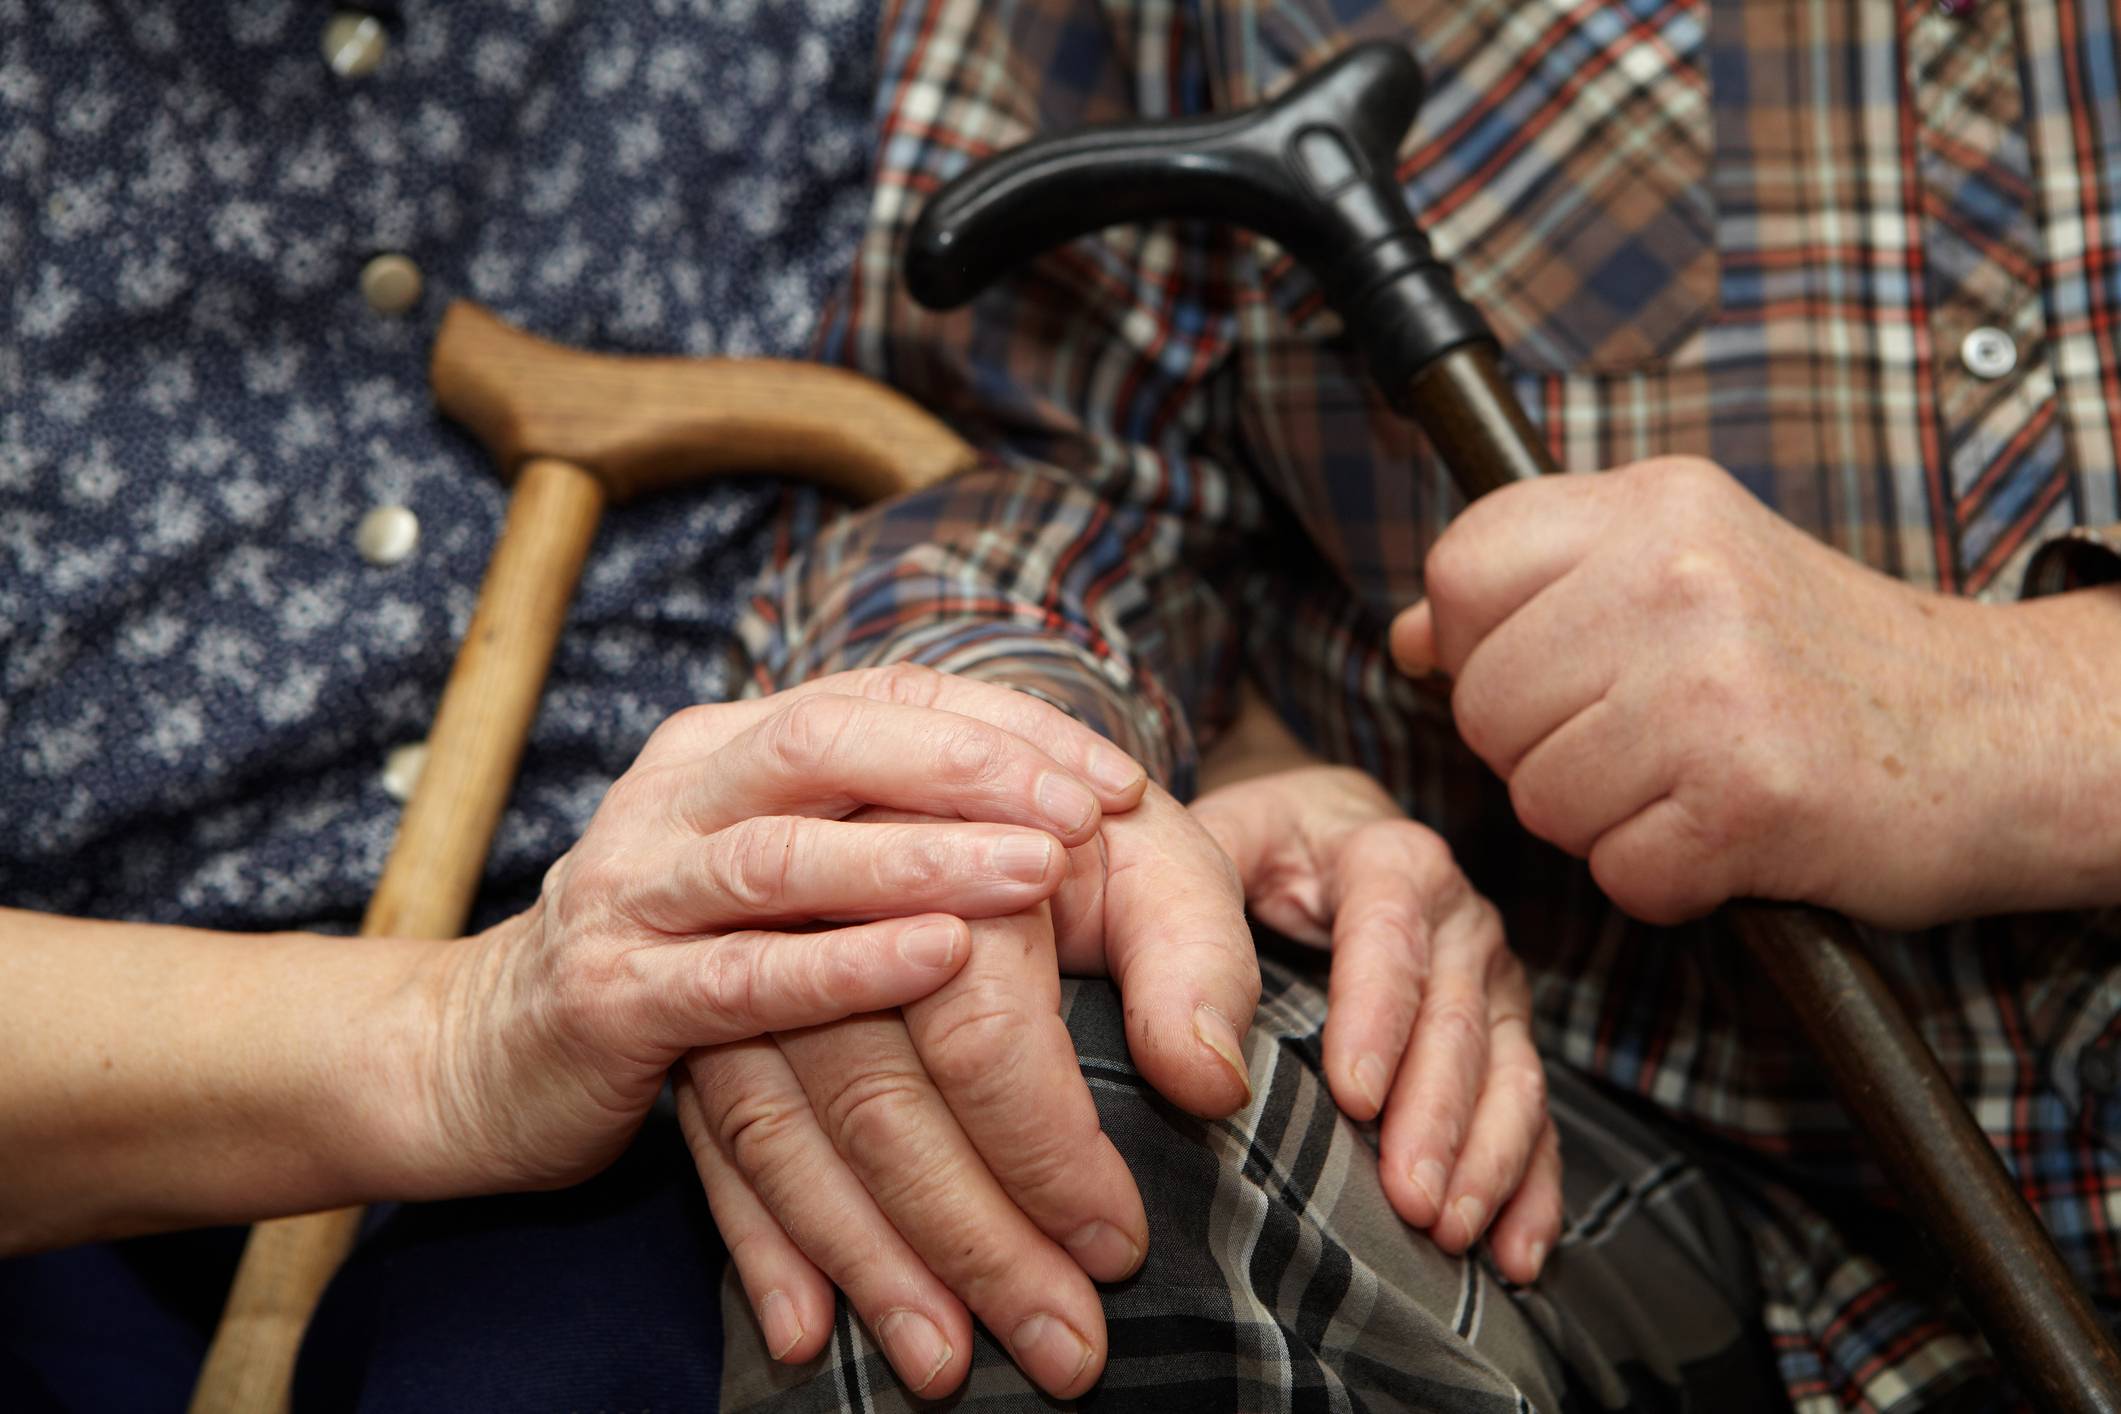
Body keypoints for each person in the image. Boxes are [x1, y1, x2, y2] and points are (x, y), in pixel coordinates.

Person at [691, 0, 2121, 1410]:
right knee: (1013, 1067)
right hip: (1656, 1181)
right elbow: (1008, 474)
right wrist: (989, 779)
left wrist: (2011, 715)